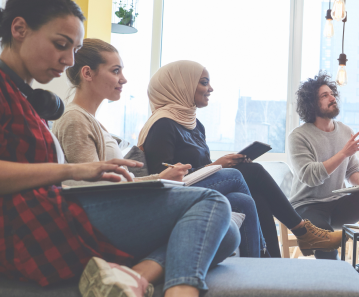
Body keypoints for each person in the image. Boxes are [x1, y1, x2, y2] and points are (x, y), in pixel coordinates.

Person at [0, 0, 244, 297]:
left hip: (58, 210)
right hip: (41, 224)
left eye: (74, 50)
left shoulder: (29, 100)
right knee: (213, 199)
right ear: (19, 29)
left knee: (228, 232)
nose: (68, 60)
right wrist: (74, 169)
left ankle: (135, 277)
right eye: (61, 45)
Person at [52, 40, 265, 257]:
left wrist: (161, 177)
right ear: (88, 73)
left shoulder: (92, 122)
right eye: (116, 71)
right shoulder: (75, 119)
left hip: (125, 201)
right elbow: (93, 192)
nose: (123, 79)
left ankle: (259, 269)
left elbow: (110, 184)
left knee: (242, 201)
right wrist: (158, 180)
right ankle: (267, 258)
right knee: (234, 176)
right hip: (117, 213)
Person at [137, 60, 340, 258]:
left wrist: (221, 164)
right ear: (182, 86)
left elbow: (200, 168)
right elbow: (162, 180)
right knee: (249, 172)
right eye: (204, 82)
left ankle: (271, 265)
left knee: (252, 198)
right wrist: (218, 165)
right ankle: (303, 231)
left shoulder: (195, 125)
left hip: (199, 187)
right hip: (177, 196)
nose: (211, 89)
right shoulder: (162, 124)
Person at [286, 72, 359, 289]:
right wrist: (343, 153)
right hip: (307, 206)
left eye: (332, 93)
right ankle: (337, 280)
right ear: (312, 103)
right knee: (324, 232)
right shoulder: (298, 136)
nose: (332, 97)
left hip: (336, 203)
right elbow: (309, 176)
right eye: (325, 95)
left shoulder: (345, 131)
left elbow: (352, 169)